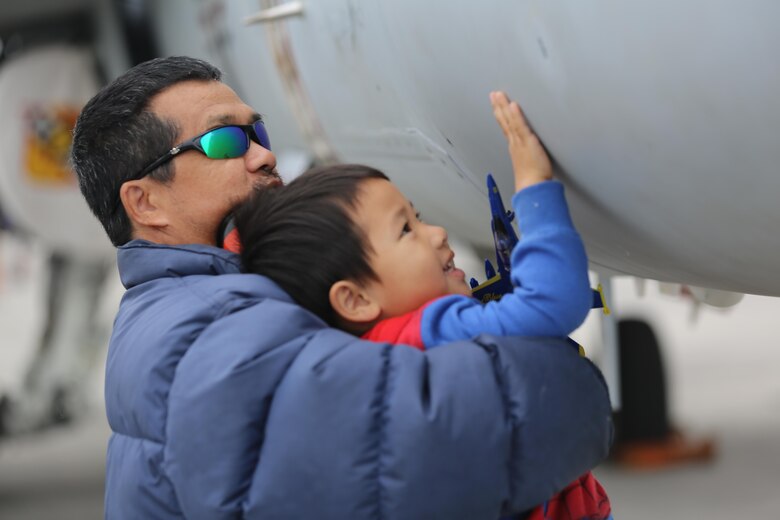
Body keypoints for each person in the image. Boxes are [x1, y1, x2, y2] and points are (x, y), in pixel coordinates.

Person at [71, 55, 613, 519]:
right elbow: (483, 429)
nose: (264, 154)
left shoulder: (198, 303)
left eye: (257, 133)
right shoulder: (213, 328)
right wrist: (549, 356)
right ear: (145, 202)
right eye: (223, 141)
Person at [232, 92, 611, 520]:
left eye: (419, 216)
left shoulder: (361, 359)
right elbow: (552, 303)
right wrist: (535, 189)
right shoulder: (435, 328)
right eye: (406, 230)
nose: (437, 233)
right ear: (355, 299)